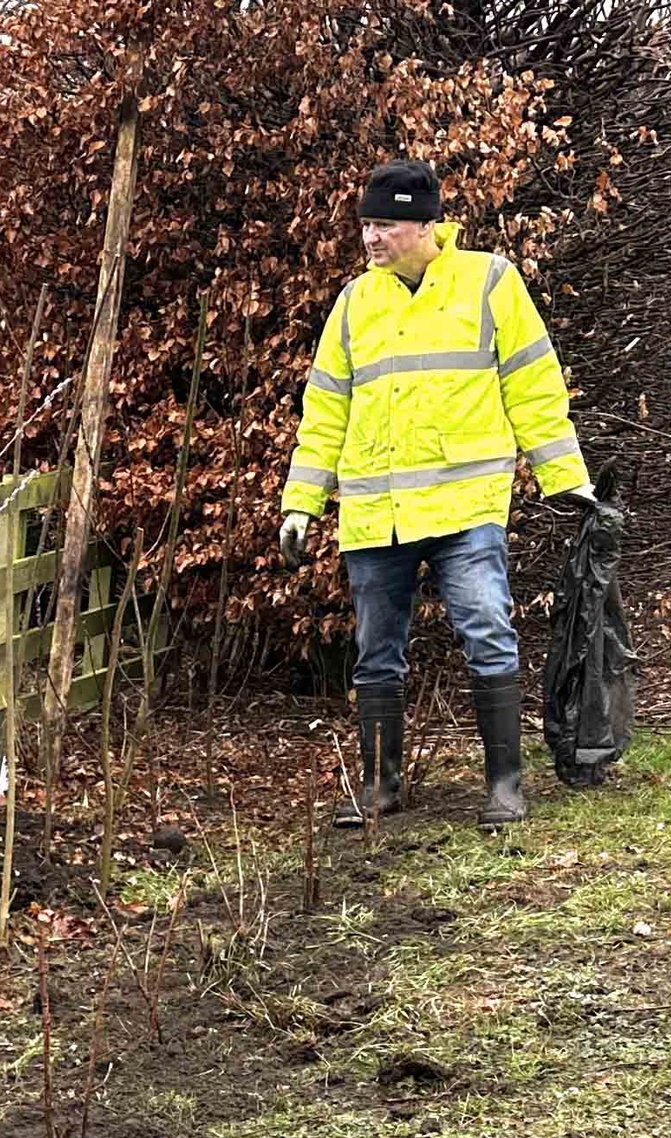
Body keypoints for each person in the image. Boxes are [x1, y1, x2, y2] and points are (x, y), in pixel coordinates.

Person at [279, 158, 597, 829]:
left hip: (465, 509)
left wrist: (565, 479)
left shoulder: (489, 284)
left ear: (426, 225)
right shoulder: (354, 304)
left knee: (486, 629)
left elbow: (534, 386)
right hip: (376, 516)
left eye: (385, 224)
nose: (371, 238)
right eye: (366, 224)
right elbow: (325, 412)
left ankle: (504, 786)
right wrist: (301, 505)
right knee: (375, 652)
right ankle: (380, 787)